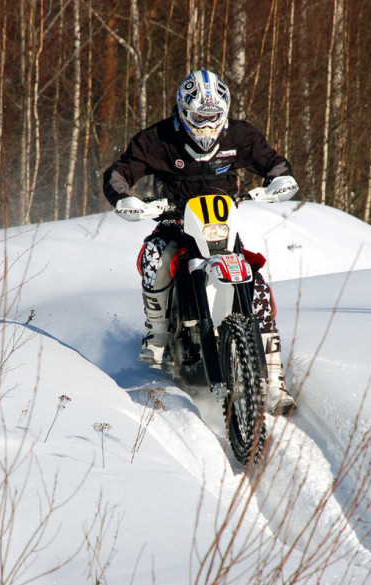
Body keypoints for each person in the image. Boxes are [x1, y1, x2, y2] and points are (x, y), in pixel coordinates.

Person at [103, 69, 298, 415]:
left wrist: (280, 180)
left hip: (222, 227)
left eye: (213, 118)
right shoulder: (159, 138)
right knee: (155, 256)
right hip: (175, 223)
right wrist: (123, 197)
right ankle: (158, 332)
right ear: (183, 112)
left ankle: (271, 380)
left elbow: (274, 162)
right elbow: (121, 171)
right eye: (199, 117)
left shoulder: (240, 135)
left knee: (259, 288)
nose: (206, 126)